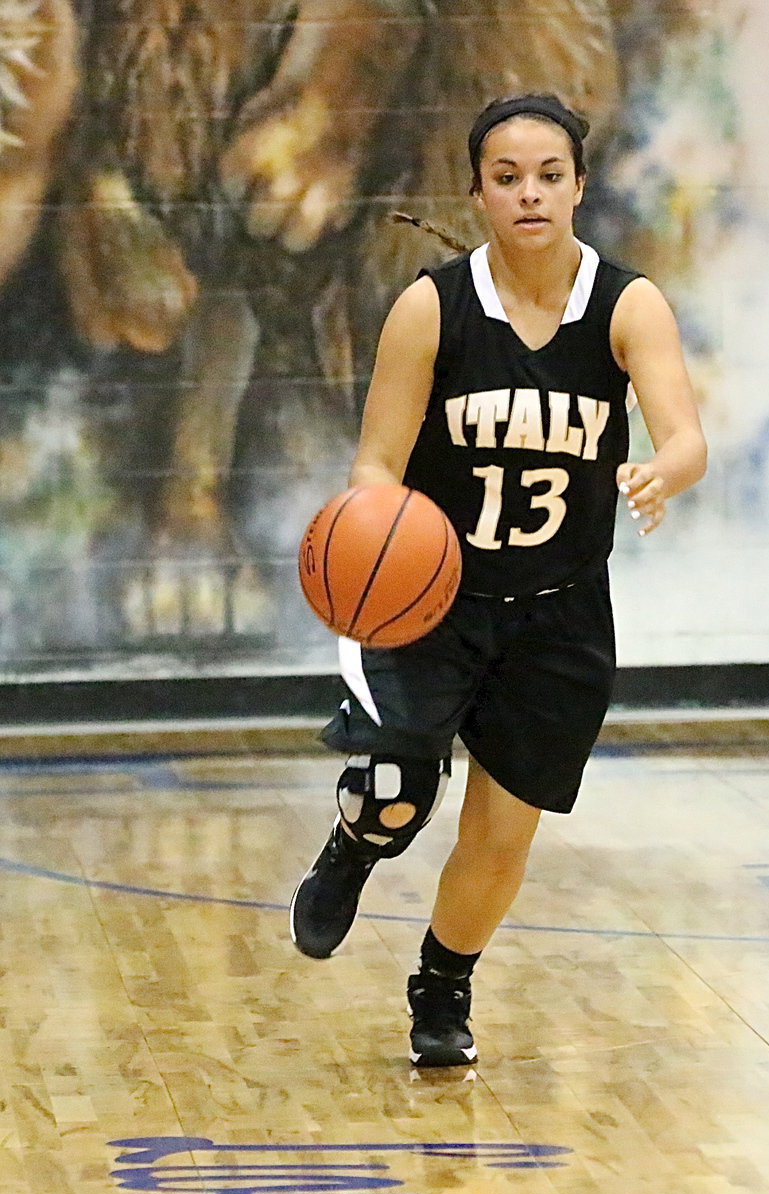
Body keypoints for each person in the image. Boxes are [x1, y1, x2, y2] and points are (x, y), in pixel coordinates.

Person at [290, 93, 707, 1068]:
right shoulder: (432, 306)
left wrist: (664, 471)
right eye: (508, 177)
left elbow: (684, 435)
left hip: (560, 617)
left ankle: (442, 985)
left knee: (500, 834)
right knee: (396, 784)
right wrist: (373, 537)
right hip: (430, 600)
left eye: (549, 176)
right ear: (477, 191)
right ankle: (354, 846)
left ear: (579, 186)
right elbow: (375, 465)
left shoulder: (625, 304)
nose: (530, 194)